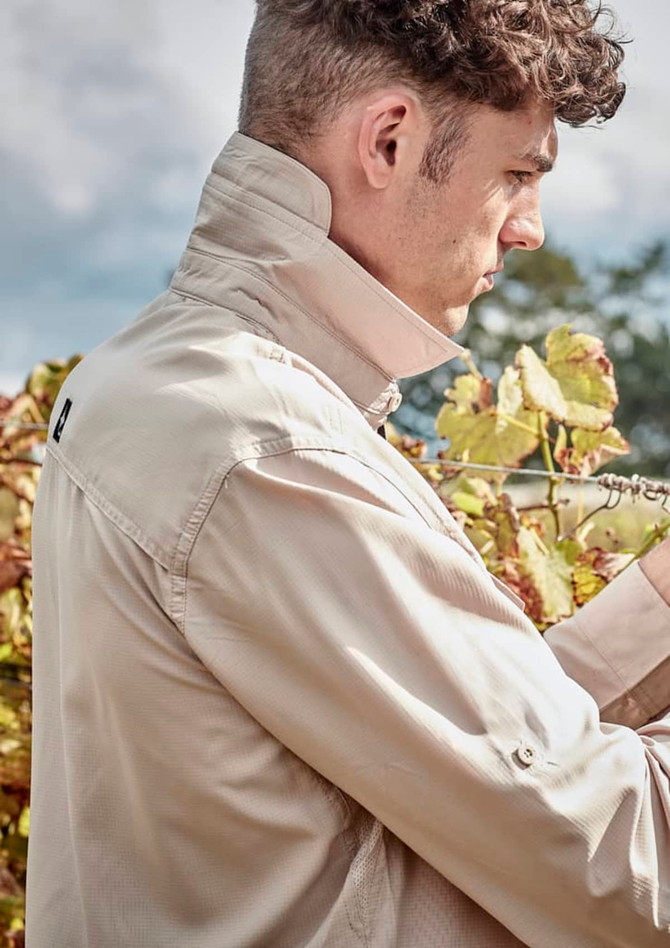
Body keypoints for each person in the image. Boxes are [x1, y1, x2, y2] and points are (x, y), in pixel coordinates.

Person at [26, 1, 670, 946]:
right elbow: (615, 864)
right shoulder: (266, 443)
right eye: (519, 173)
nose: (529, 228)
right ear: (391, 141)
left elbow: (446, 759)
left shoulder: (174, 381)